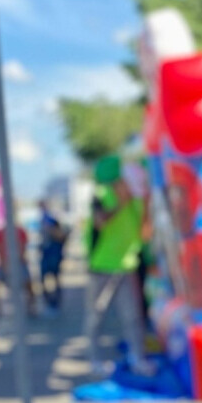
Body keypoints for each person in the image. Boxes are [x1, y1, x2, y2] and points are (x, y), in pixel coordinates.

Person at [84, 155, 154, 377]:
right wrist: (121, 204)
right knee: (96, 317)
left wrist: (146, 204)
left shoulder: (136, 203)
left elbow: (144, 235)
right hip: (102, 267)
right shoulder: (101, 195)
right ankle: (94, 361)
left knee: (133, 317)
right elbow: (100, 222)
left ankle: (138, 359)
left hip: (127, 267)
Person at [0, 218, 37, 319]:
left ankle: (31, 306)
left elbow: (23, 248)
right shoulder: (0, 232)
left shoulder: (20, 231)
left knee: (28, 284)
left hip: (19, 263)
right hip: (4, 263)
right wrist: (4, 264)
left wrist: (16, 264)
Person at [37, 199, 69, 314]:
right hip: (47, 254)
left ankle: (55, 304)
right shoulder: (45, 219)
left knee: (53, 279)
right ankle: (51, 303)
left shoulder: (49, 220)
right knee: (45, 280)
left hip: (52, 255)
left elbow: (60, 235)